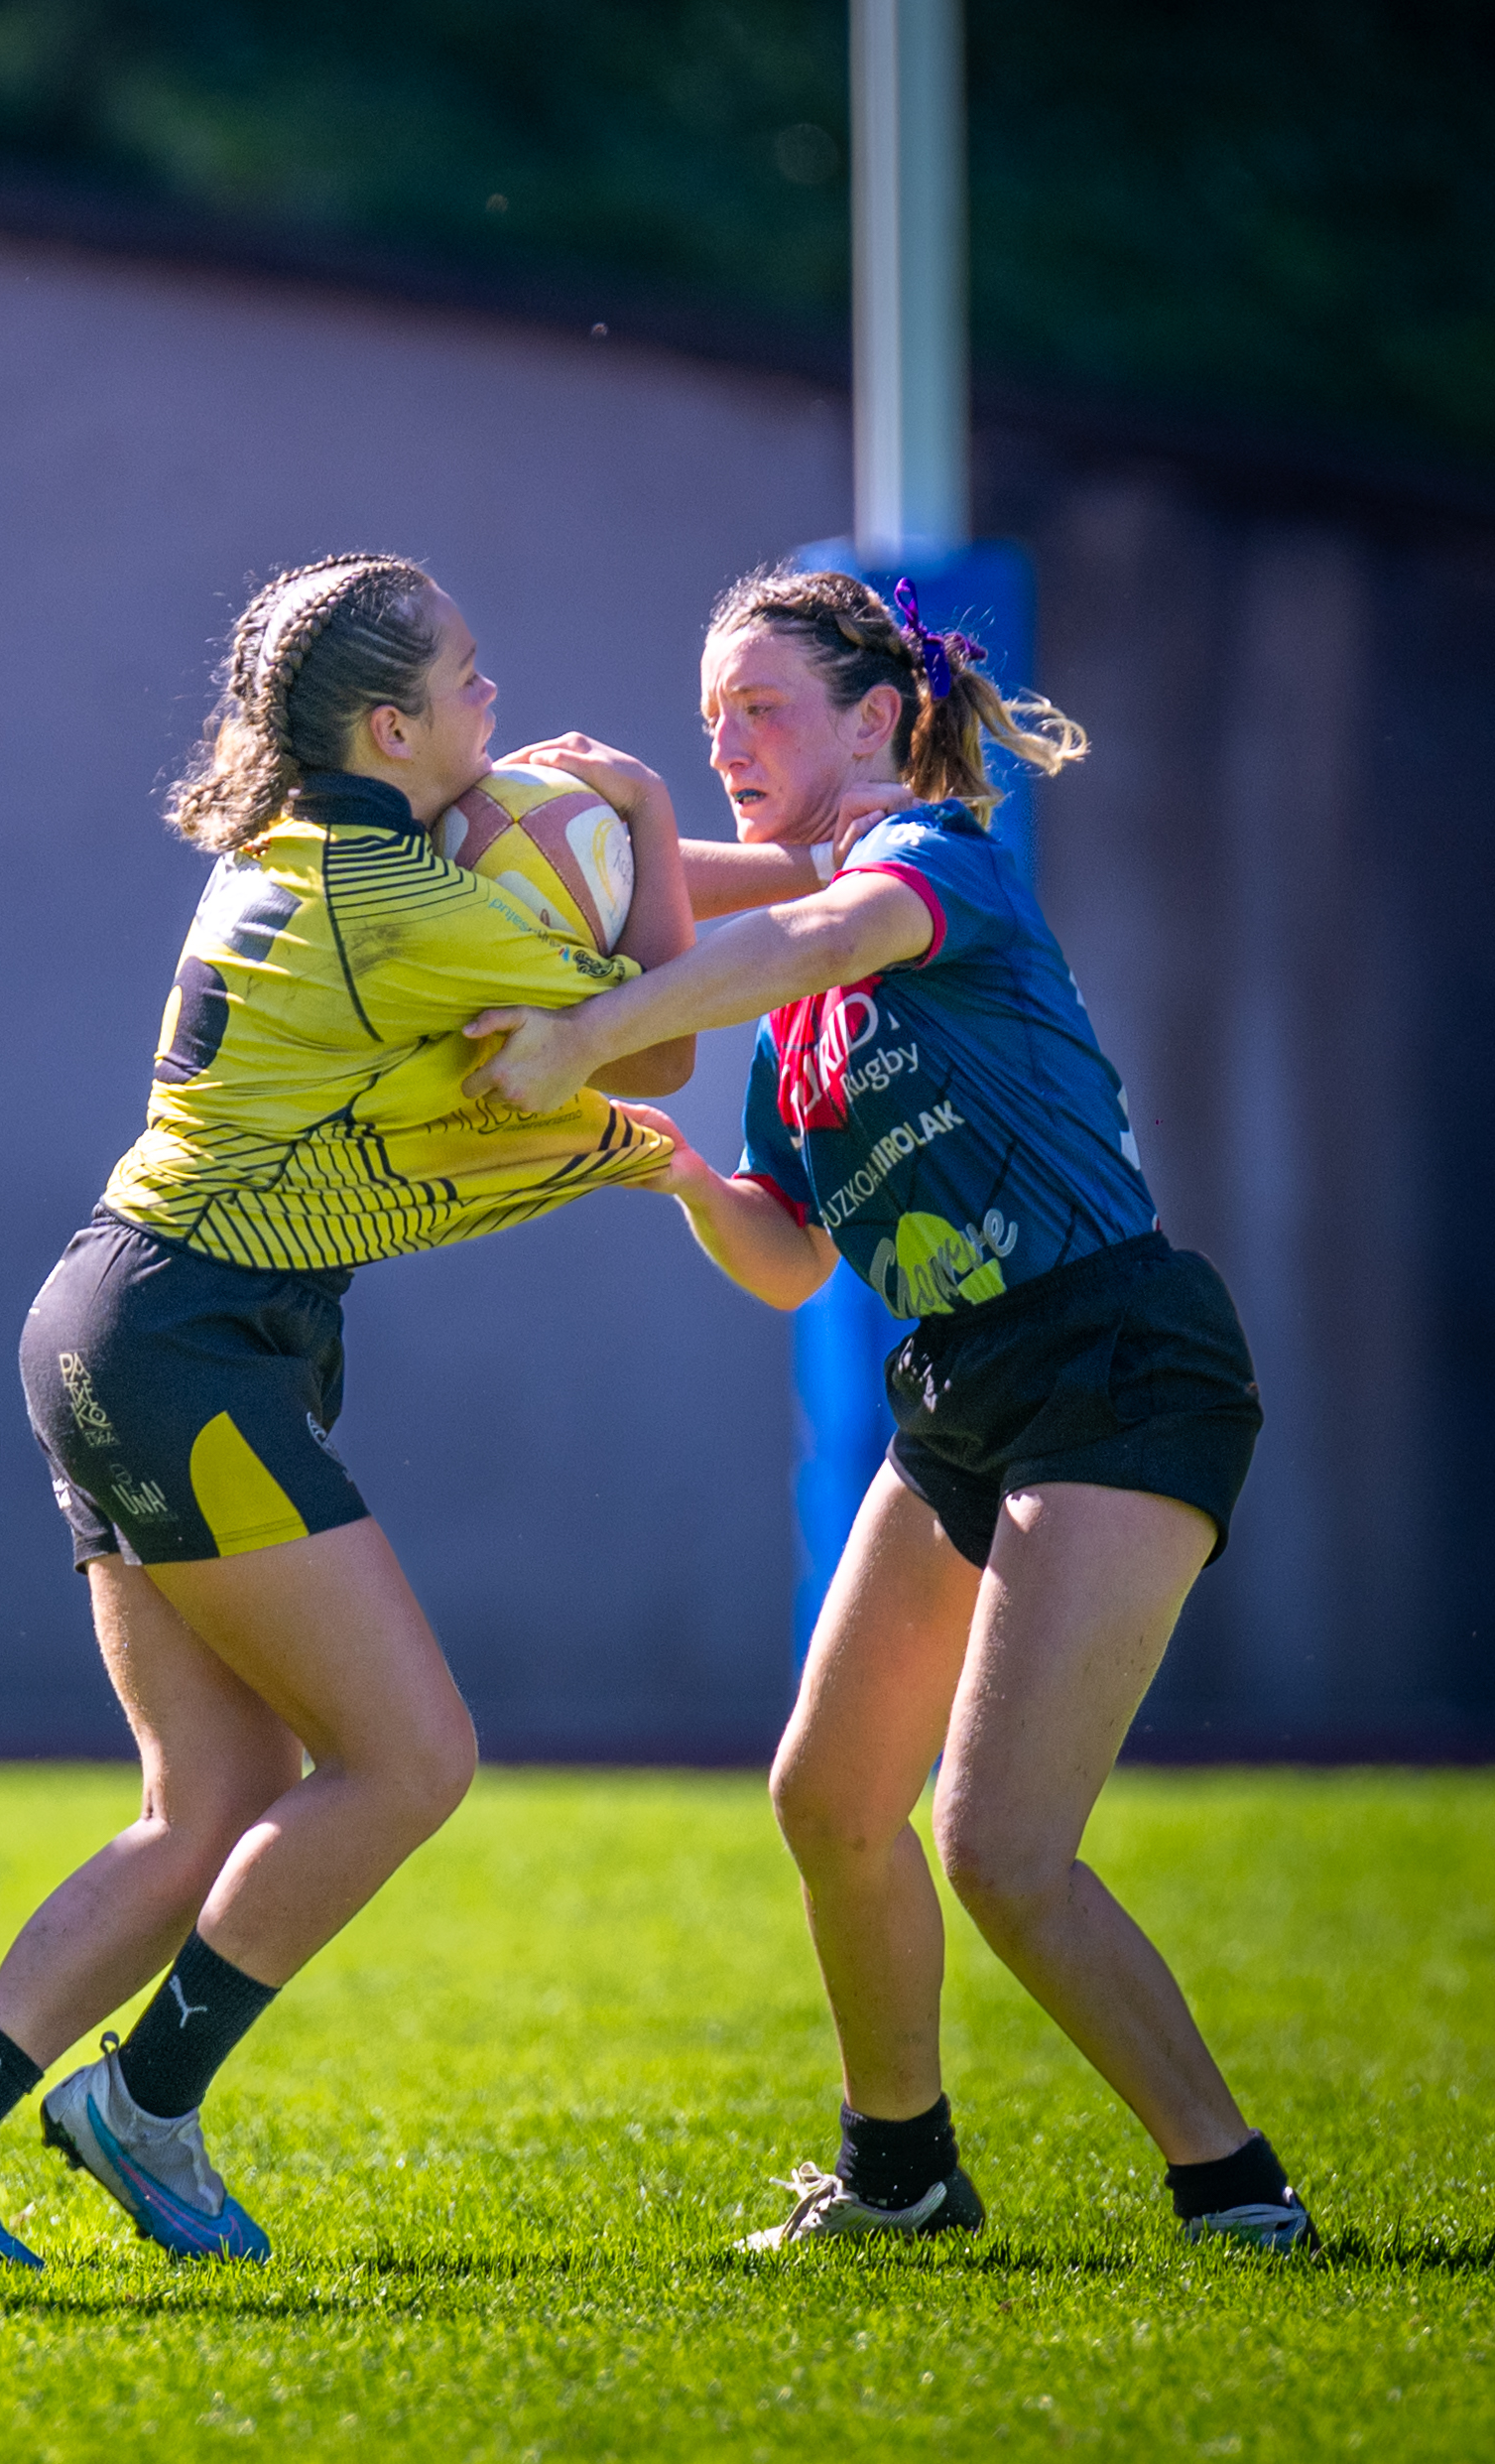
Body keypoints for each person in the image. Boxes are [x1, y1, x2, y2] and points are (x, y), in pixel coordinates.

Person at [0, 554, 696, 2266]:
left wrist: (804, 879)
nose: (492, 703)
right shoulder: (411, 911)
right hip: (191, 1342)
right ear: (388, 724)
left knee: (208, 1800)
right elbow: (651, 1038)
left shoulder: (306, 850)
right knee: (409, 1757)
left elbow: (563, 935)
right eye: (466, 680)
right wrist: (652, 820)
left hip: (120, 1308)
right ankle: (138, 2101)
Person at [460, 567, 1311, 2252]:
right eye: (707, 722)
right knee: (827, 1792)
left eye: (757, 707)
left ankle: (1237, 2194)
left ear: (875, 720)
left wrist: (592, 1020)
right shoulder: (784, 1016)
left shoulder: (926, 863)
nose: (725, 741)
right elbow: (787, 1262)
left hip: (1112, 1353)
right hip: (960, 1387)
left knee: (996, 1846)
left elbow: (808, 926)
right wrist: (666, 1164)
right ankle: (899, 2175)